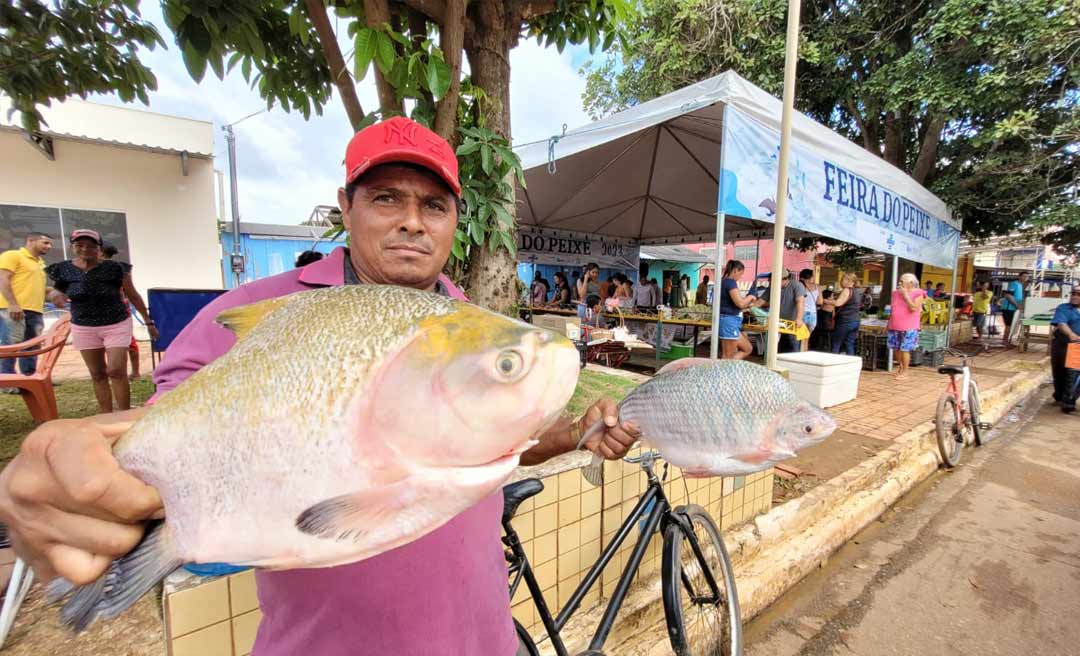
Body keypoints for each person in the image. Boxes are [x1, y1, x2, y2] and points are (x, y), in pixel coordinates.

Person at [0, 117, 640, 656]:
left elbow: (482, 453)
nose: (413, 222)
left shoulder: (467, 326)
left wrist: (568, 435)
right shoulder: (254, 313)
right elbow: (157, 451)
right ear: (347, 206)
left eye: (434, 205)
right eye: (388, 197)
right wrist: (69, 485)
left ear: (453, 223)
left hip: (482, 639)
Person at [45, 230, 157, 412]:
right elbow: (57, 290)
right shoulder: (63, 269)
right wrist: (54, 294)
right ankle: (106, 415)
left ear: (99, 248)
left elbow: (133, 296)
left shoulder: (116, 268)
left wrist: (148, 322)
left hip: (116, 323)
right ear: (72, 247)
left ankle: (124, 415)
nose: (85, 249)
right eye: (79, 245)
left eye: (91, 246)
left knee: (116, 370)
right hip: (84, 325)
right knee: (97, 374)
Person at [0, 232, 57, 377]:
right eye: (45, 243)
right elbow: (3, 278)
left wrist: (55, 294)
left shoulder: (40, 263)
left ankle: (30, 377)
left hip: (35, 311)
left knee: (32, 345)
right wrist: (13, 304)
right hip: (13, 309)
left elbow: (38, 287)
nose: (49, 246)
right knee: (12, 345)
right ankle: (7, 379)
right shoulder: (13, 256)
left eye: (50, 244)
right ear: (30, 240)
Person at [101, 242, 148, 381]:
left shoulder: (118, 270)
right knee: (109, 348)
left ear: (102, 253)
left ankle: (134, 372)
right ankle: (109, 373)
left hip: (119, 316)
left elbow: (132, 294)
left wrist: (147, 321)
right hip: (99, 317)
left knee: (128, 345)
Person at [888, 273, 927, 380]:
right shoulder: (895, 293)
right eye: (899, 281)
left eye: (902, 281)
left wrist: (905, 295)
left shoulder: (919, 293)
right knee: (896, 348)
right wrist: (889, 322)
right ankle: (900, 368)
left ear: (910, 283)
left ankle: (905, 371)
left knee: (905, 349)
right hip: (895, 324)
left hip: (909, 326)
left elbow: (913, 308)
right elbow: (893, 308)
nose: (899, 283)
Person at [759, 269, 806, 354]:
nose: (771, 283)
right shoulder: (772, 287)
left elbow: (800, 302)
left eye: (774, 281)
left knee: (794, 349)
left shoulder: (797, 286)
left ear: (784, 279)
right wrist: (749, 308)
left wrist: (799, 318)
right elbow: (760, 301)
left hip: (793, 323)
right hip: (778, 323)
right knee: (778, 349)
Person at [1049, 288, 1080, 414]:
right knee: (1060, 371)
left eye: (1079, 294)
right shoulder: (1063, 308)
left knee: (1074, 374)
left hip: (1077, 346)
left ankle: (1069, 400)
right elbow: (1061, 324)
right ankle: (1060, 397)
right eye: (1073, 293)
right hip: (1064, 343)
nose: (1075, 296)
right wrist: (1072, 335)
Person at [718, 260, 756, 360]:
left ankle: (728, 369)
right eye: (741, 273)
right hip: (729, 321)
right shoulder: (730, 282)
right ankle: (724, 371)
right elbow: (740, 303)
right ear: (735, 270)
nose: (741, 277)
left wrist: (747, 305)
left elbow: (738, 304)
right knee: (727, 356)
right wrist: (751, 296)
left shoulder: (723, 282)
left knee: (747, 348)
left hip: (730, 321)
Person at [831, 272, 864, 356]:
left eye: (843, 279)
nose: (841, 281)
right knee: (849, 343)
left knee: (836, 344)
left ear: (849, 281)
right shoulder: (857, 291)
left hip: (845, 321)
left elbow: (838, 303)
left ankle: (832, 364)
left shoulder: (847, 290)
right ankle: (851, 366)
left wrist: (827, 301)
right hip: (855, 320)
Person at [1000, 272, 1029, 348]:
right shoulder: (1014, 284)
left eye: (1027, 277)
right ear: (1019, 276)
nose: (1025, 278)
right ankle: (1005, 341)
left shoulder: (1021, 286)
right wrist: (1017, 305)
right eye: (1024, 276)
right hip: (1008, 308)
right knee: (1009, 325)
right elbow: (1008, 295)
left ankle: (1008, 341)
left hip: (1014, 309)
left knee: (1012, 326)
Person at [799, 269, 819, 348]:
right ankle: (804, 353)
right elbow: (820, 302)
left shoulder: (800, 286)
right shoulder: (817, 287)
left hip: (802, 314)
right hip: (813, 315)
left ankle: (799, 354)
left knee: (800, 338)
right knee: (807, 338)